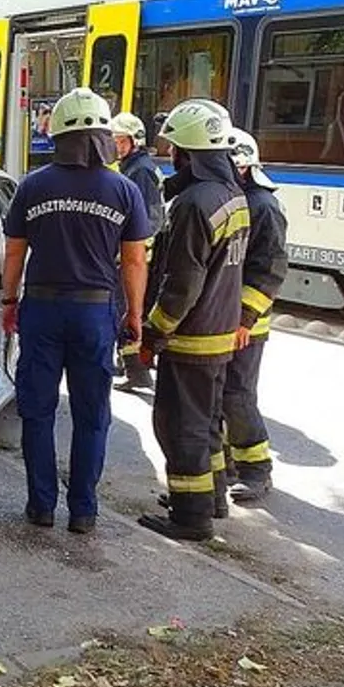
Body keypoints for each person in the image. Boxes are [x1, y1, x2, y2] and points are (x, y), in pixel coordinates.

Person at [0, 86, 150, 535]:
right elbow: (135, 260)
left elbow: (14, 253)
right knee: (91, 414)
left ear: (58, 134)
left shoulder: (33, 185)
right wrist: (135, 316)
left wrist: (10, 301)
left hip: (42, 309)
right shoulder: (124, 190)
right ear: (105, 135)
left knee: (38, 411)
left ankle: (40, 506)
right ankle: (83, 511)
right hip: (94, 313)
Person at [137, 98, 249, 542]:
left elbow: (182, 283)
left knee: (179, 425)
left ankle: (190, 517)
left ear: (188, 153)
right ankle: (212, 498)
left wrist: (154, 332)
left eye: (173, 150)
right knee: (206, 423)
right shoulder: (233, 196)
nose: (169, 158)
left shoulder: (193, 204)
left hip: (190, 339)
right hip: (220, 335)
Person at [222, 128, 289, 503]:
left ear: (243, 168)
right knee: (222, 396)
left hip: (246, 324)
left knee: (238, 394)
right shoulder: (240, 200)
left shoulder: (262, 207)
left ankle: (256, 469)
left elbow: (270, 268)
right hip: (228, 319)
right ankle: (231, 464)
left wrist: (245, 319)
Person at [111, 111, 165, 390]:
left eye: (120, 141)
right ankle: (132, 364)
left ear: (134, 141)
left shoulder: (139, 170)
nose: (116, 146)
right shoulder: (138, 166)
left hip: (137, 255)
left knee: (126, 309)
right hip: (138, 253)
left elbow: (147, 217)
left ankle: (136, 371)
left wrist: (130, 250)